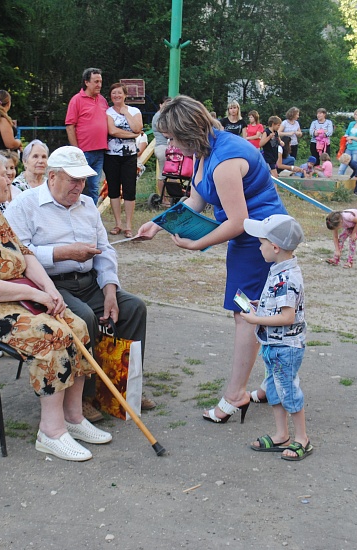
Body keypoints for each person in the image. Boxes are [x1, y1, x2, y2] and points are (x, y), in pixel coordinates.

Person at [0, 150, 112, 461]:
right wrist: (36, 296)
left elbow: (26, 256)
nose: (10, 179)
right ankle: (51, 431)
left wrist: (48, 289)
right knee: (49, 334)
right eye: (4, 174)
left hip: (10, 297)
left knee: (77, 324)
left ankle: (74, 417)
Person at [136, 95, 288, 424]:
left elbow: (236, 221)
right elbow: (195, 200)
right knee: (255, 311)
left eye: (173, 138)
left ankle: (236, 395)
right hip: (251, 240)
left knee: (246, 314)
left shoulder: (223, 161)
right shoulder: (208, 150)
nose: (171, 146)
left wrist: (196, 245)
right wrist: (158, 224)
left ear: (189, 132)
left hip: (261, 242)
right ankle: (272, 382)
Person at [6, 146, 155, 420]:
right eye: (73, 179)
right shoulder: (24, 205)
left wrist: (110, 288)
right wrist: (62, 252)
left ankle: (122, 385)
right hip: (47, 286)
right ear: (52, 177)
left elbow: (105, 250)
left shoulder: (87, 204)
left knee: (133, 307)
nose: (80, 186)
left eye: (83, 179)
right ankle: (83, 396)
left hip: (88, 281)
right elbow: (17, 255)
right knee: (84, 317)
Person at [241, 214, 312, 461]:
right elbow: (281, 307)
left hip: (286, 346)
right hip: (273, 344)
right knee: (273, 388)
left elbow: (287, 317)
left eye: (261, 242)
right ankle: (282, 434)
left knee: (288, 391)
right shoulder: (279, 269)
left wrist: (255, 319)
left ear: (274, 247)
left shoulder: (287, 278)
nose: (258, 247)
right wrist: (262, 305)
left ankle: (302, 438)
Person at [65, 68, 109, 203]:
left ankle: (91, 216)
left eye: (100, 81)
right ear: (86, 82)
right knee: (78, 184)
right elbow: (70, 126)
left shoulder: (102, 100)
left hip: (100, 150)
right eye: (96, 81)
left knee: (94, 187)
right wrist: (76, 150)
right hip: (84, 151)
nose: (99, 85)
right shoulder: (76, 100)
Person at [105, 83, 143, 238]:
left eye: (119, 93)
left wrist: (125, 113)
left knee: (129, 189)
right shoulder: (107, 112)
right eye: (114, 93)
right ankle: (117, 223)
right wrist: (133, 136)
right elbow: (112, 131)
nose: (117, 96)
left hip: (130, 156)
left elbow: (137, 127)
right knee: (113, 189)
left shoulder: (134, 111)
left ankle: (128, 225)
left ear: (125, 95)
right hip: (111, 155)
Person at [151, 96, 171, 202]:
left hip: (167, 147)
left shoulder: (165, 116)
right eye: (166, 103)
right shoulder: (159, 116)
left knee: (170, 174)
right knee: (164, 174)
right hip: (162, 147)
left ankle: (168, 197)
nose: (168, 106)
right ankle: (164, 199)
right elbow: (165, 132)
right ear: (160, 104)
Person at [339, 109, 357, 175]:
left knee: (356, 168)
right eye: (354, 114)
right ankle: (338, 182)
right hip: (349, 148)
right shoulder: (351, 123)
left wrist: (352, 137)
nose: (354, 116)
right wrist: (348, 139)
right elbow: (346, 134)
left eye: (356, 114)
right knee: (342, 167)